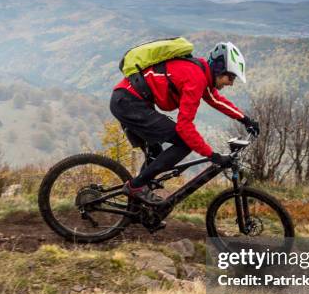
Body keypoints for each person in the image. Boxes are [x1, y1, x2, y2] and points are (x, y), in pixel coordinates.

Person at [110, 41, 259, 204]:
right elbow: (184, 127)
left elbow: (216, 99)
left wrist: (245, 119)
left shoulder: (201, 72)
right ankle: (136, 187)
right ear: (219, 69)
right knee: (184, 143)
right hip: (129, 103)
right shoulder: (195, 78)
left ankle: (138, 205)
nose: (231, 83)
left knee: (156, 154)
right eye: (230, 77)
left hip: (129, 101)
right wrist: (212, 155)